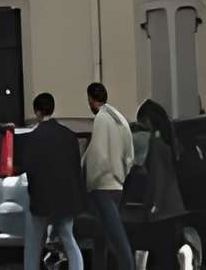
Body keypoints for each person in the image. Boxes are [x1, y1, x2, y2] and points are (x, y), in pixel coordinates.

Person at [22, 92, 86, 270]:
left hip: (42, 196)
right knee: (68, 237)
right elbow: (75, 167)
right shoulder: (69, 136)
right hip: (66, 197)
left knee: (34, 241)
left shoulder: (33, 138)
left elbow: (30, 170)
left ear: (37, 112)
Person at [84, 82, 136, 270]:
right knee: (101, 236)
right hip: (118, 185)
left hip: (103, 186)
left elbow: (98, 154)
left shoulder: (101, 119)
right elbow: (129, 153)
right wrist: (123, 174)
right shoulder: (119, 117)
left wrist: (90, 182)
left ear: (91, 99)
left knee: (116, 237)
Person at [134, 101, 188, 270]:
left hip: (162, 210)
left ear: (148, 120)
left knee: (160, 257)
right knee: (169, 257)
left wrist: (153, 205)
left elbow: (157, 177)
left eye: (143, 124)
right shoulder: (170, 139)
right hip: (175, 207)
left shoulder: (156, 143)